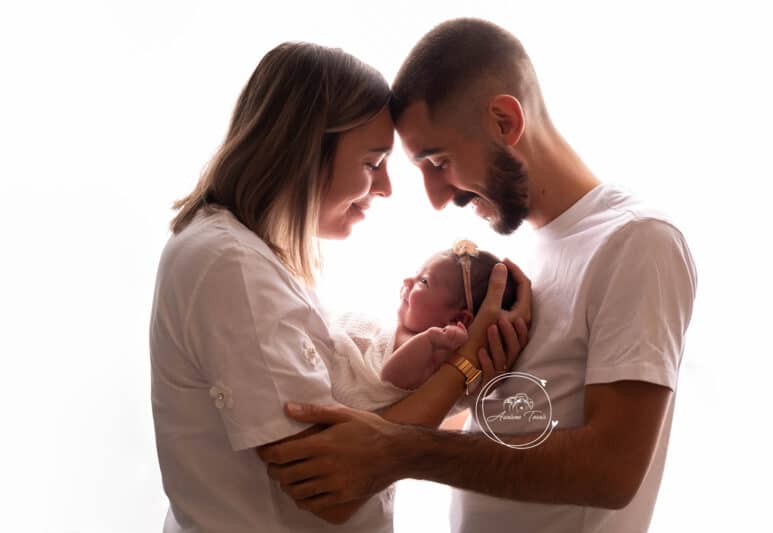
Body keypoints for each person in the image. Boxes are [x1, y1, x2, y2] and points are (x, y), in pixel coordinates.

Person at [262, 18, 698, 533]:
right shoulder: (518, 260)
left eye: (438, 161)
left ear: (503, 121)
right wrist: (452, 377)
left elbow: (612, 470)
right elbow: (503, 428)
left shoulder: (636, 242)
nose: (436, 197)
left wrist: (398, 451)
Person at [149, 41, 532, 533]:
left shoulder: (257, 259)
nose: (386, 187)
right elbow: (330, 491)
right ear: (304, 154)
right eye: (373, 163)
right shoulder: (231, 266)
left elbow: (363, 425)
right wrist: (464, 364)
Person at [327, 240, 518, 410]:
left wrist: (430, 341)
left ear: (459, 319)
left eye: (424, 281)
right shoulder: (399, 329)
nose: (408, 280)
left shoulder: (435, 354)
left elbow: (392, 377)